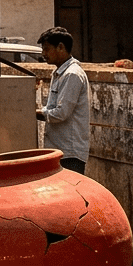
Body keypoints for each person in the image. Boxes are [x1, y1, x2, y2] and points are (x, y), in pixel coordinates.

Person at [36, 27, 90, 174]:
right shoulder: (59, 72)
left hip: (69, 152)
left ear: (60, 47)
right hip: (57, 150)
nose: (43, 54)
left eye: (46, 49)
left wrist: (34, 113)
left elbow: (61, 113)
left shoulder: (72, 74)